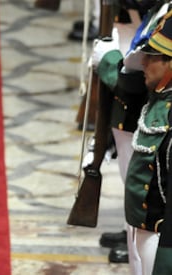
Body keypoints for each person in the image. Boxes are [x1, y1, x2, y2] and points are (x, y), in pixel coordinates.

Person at [88, 0, 171, 271]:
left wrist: (110, 63)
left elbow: (131, 84)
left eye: (153, 57)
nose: (145, 62)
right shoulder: (160, 14)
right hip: (144, 223)